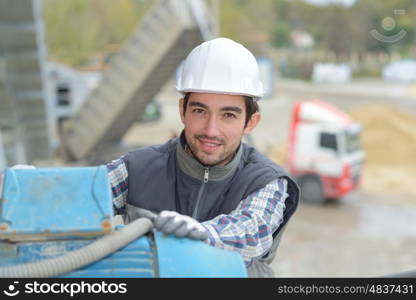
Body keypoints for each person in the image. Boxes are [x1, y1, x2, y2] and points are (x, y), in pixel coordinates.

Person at [107, 37, 300, 277]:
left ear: (251, 122)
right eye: (200, 111)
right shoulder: (136, 168)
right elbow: (79, 194)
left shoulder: (266, 181)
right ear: (182, 111)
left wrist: (204, 234)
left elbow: (253, 232)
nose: (211, 130)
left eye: (228, 115)